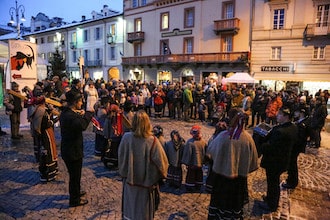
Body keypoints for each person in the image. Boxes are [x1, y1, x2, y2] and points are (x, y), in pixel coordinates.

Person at [206, 108, 258, 219]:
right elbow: (253, 163)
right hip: (238, 181)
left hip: (221, 179)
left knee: (219, 206)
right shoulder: (248, 139)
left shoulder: (222, 136)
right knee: (234, 207)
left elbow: (210, 153)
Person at [118, 110, 169, 220]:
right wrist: (156, 177)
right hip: (146, 184)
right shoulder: (153, 141)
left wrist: (124, 172)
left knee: (130, 210)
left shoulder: (126, 138)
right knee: (143, 212)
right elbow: (162, 163)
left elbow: (121, 157)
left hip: (130, 182)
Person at [258, 106, 298, 213]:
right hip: (283, 161)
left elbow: (270, 147)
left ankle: (271, 204)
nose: (277, 116)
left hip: (274, 162)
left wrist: (261, 143)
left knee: (273, 183)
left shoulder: (281, 131)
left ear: (286, 116)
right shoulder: (293, 127)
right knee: (273, 182)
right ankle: (270, 199)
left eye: (279, 114)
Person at [60, 90, 93, 207]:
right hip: (72, 151)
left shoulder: (68, 112)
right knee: (75, 176)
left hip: (71, 149)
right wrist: (88, 114)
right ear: (74, 102)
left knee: (75, 175)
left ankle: (76, 192)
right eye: (80, 101)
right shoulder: (69, 115)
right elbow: (82, 125)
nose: (81, 103)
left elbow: (77, 118)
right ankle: (74, 200)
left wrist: (80, 114)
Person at [30, 96, 59, 182]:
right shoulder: (42, 111)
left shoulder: (38, 109)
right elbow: (46, 123)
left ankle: (46, 172)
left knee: (46, 152)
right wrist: (56, 119)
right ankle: (48, 173)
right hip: (46, 134)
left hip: (45, 134)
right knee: (48, 152)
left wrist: (50, 111)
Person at [282, 108, 310, 189]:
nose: (295, 113)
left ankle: (292, 182)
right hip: (296, 147)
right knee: (292, 164)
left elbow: (300, 139)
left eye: (296, 112)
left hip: (296, 148)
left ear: (301, 113)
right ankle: (291, 180)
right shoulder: (301, 121)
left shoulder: (302, 124)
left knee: (292, 165)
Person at [181, 125, 207, 192]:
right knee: (199, 174)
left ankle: (190, 186)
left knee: (191, 175)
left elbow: (187, 154)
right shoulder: (203, 142)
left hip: (192, 164)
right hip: (200, 163)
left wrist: (186, 162)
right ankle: (198, 185)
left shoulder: (190, 142)